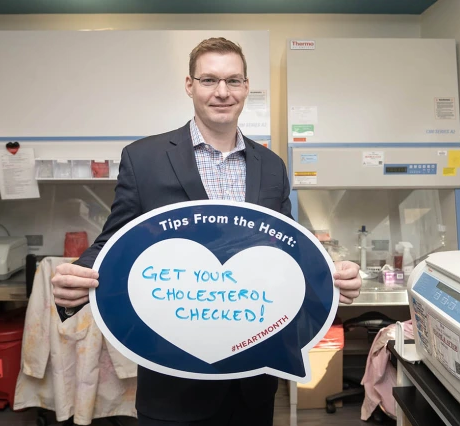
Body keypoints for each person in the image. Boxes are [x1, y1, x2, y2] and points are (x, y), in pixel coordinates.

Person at [52, 37, 362, 426]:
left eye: (233, 81)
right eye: (209, 80)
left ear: (246, 87)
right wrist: (76, 279)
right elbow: (114, 241)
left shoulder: (271, 165)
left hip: (253, 376)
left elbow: (288, 250)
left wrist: (331, 276)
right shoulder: (144, 158)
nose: (222, 92)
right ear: (189, 85)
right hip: (173, 376)